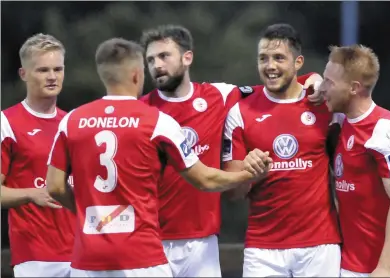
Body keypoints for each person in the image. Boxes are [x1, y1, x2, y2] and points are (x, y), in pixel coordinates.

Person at [45, 37, 272, 278]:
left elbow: (55, 187)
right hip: (142, 254)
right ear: (136, 74)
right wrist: (249, 174)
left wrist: (90, 214)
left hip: (87, 257)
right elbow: (205, 180)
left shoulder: (72, 121)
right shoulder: (156, 120)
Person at [139, 24, 324, 277]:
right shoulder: (140, 111)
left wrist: (310, 78)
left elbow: (274, 90)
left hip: (202, 243)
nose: (157, 65)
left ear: (187, 57)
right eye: (150, 59)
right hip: (148, 239)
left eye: (164, 56)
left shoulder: (219, 95)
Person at [222, 23, 343, 277]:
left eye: (279, 58)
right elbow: (233, 193)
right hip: (263, 249)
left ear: (298, 62)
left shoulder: (324, 105)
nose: (270, 66)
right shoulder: (240, 112)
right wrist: (248, 172)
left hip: (320, 246)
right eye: (263, 58)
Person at [319, 44, 390, 277]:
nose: (322, 88)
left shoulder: (386, 131)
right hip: (354, 265)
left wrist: (384, 268)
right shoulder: (341, 123)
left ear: (354, 88)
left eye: (329, 82)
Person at [1, 33, 75, 277]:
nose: (52, 77)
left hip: (82, 253)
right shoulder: (7, 123)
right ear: (24, 74)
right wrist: (32, 194)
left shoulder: (73, 123)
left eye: (58, 69)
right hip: (36, 258)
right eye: (43, 70)